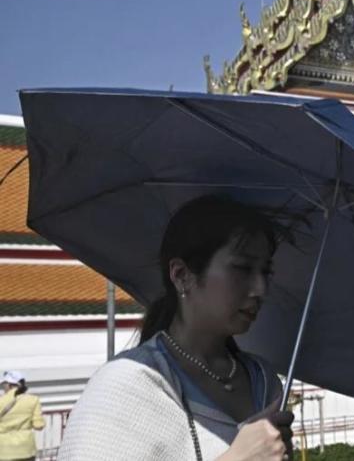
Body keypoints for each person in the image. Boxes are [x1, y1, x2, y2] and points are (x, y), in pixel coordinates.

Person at [58, 196, 295, 460]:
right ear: (182, 275)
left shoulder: (263, 380)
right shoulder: (128, 383)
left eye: (266, 272)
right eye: (242, 268)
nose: (260, 289)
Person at [0, 371, 44, 461]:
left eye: (3, 384)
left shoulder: (1, 401)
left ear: (9, 385)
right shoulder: (33, 400)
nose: (3, 387)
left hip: (4, 451)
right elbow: (38, 426)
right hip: (26, 450)